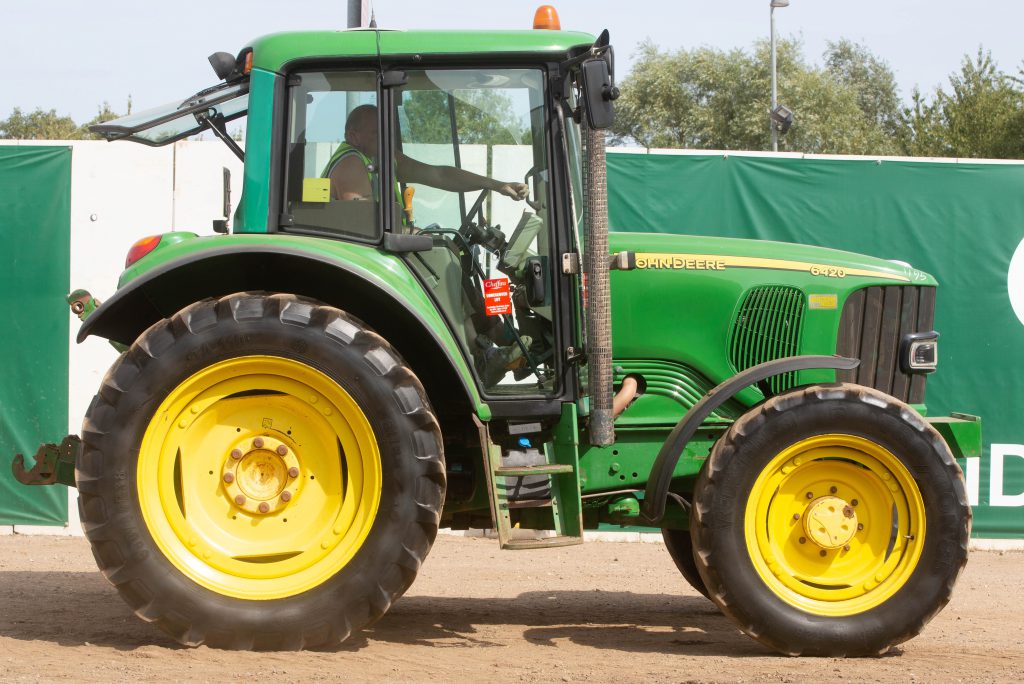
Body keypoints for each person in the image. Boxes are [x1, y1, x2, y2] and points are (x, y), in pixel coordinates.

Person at [324, 104, 529, 203]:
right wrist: (409, 233)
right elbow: (364, 223)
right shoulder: (351, 163)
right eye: (377, 133)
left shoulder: (382, 159)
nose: (386, 139)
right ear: (354, 136)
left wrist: (497, 185)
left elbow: (440, 175)